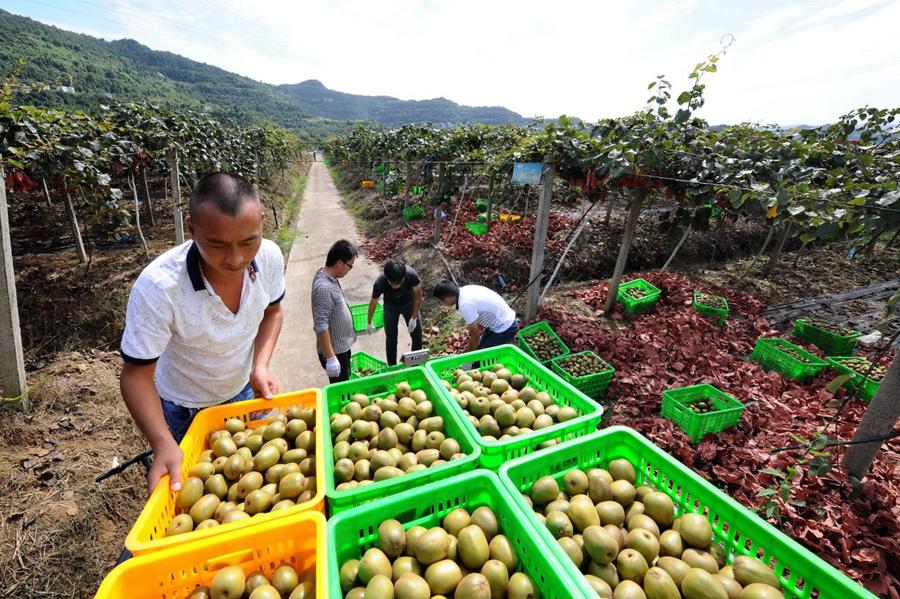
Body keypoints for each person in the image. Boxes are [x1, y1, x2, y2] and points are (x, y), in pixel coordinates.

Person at [119, 172, 285, 493]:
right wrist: (162, 442)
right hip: (185, 410)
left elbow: (273, 312)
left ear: (262, 222)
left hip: (242, 394)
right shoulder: (160, 288)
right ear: (192, 230)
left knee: (244, 485)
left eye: (249, 241)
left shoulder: (269, 258)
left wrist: (260, 365)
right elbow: (135, 376)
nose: (236, 258)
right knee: (201, 490)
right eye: (218, 244)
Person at [312, 239, 358, 383]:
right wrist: (331, 358)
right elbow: (320, 326)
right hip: (336, 352)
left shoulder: (328, 276)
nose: (349, 270)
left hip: (341, 346)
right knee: (341, 391)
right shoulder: (324, 288)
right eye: (350, 266)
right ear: (339, 263)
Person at [433, 279, 519, 353]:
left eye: (441, 301)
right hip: (501, 320)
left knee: (482, 358)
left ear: (447, 298)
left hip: (505, 328)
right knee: (479, 348)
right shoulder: (464, 290)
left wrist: (468, 360)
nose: (442, 304)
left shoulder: (465, 304)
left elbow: (475, 338)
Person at [367, 258, 423, 365]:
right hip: (390, 306)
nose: (396, 286)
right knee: (391, 339)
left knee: (417, 335)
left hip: (409, 303)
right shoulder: (380, 282)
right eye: (393, 284)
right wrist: (369, 323)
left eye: (399, 283)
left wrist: (414, 317)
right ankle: (392, 367)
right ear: (387, 279)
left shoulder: (411, 275)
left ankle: (415, 364)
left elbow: (418, 296)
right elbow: (373, 302)